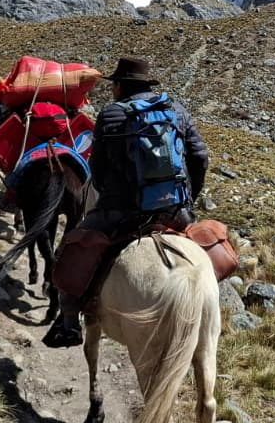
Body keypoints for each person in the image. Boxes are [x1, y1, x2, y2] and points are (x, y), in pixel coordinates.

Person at [42, 55, 209, 348]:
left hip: (122, 211)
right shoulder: (175, 110)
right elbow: (200, 158)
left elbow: (100, 171)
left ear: (120, 86)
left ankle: (69, 323)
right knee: (207, 249)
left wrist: (110, 197)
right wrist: (187, 200)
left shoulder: (110, 114)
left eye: (114, 85)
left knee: (68, 251)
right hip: (174, 209)